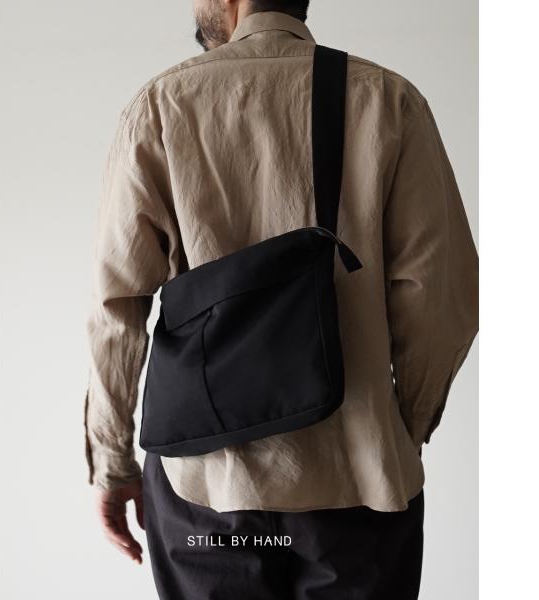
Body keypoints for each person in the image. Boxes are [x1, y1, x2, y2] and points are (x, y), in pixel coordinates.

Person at [83, 1, 479, 598]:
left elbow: (116, 308)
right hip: (359, 489)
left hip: (207, 490)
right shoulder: (387, 100)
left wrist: (111, 462)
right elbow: (441, 302)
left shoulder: (162, 106)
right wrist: (400, 430)